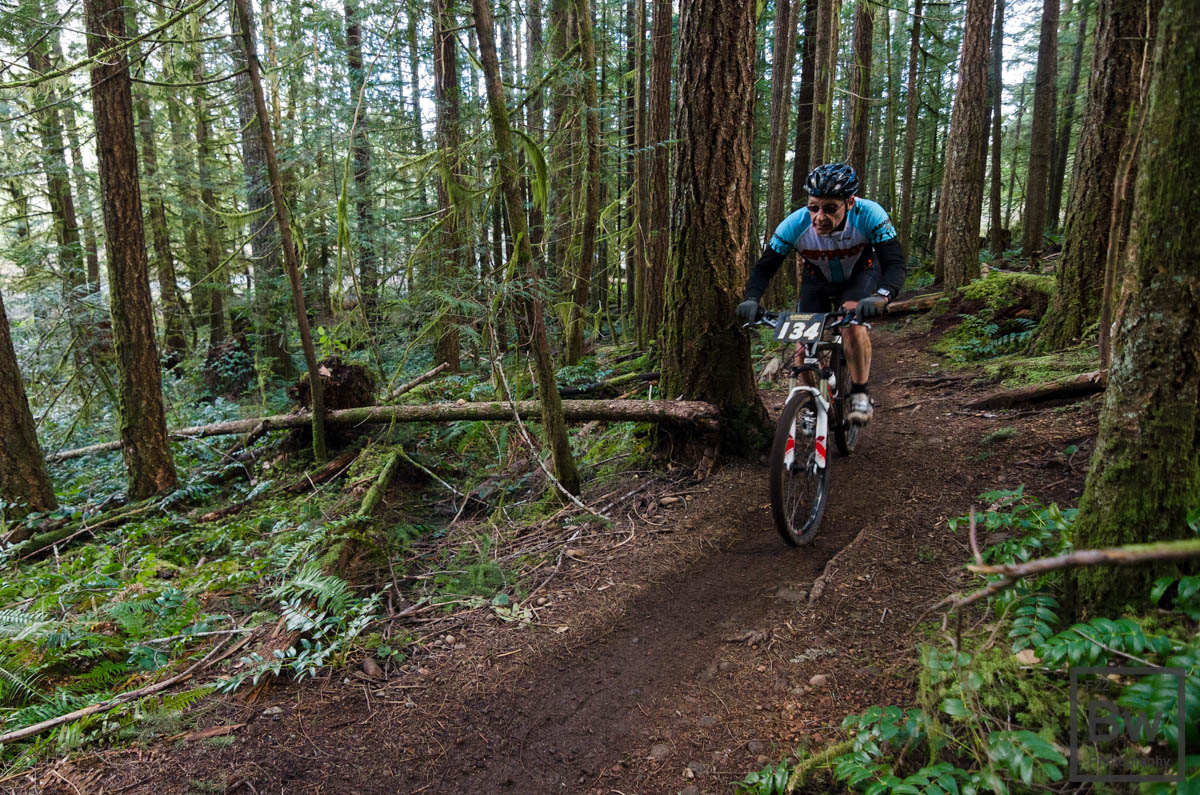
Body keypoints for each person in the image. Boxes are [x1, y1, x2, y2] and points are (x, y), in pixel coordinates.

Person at [737, 163, 906, 425]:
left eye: (830, 208)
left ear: (850, 202)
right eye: (813, 207)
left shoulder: (870, 214)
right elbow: (764, 268)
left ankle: (860, 392)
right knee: (802, 346)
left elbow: (894, 263)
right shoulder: (794, 224)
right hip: (817, 281)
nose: (819, 217)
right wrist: (752, 298)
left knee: (852, 326)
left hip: (861, 274)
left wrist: (883, 296)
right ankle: (809, 402)